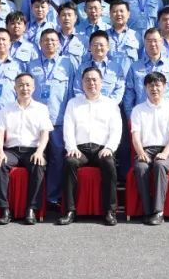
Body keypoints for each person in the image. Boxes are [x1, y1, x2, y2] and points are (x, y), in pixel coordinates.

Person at [57, 66, 123, 226]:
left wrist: (109, 148)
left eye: (94, 80)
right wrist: (71, 147)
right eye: (87, 80)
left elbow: (116, 130)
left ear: (101, 82)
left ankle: (109, 211)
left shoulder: (110, 104)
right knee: (70, 162)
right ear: (82, 83)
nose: (91, 83)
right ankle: (70, 211)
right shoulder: (73, 103)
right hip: (80, 150)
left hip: (102, 149)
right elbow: (68, 128)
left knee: (109, 163)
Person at [0, 72, 52, 225]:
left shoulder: (41, 109)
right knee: (0, 163)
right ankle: (4, 209)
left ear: (34, 88)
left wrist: (40, 152)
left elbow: (45, 134)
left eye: (28, 85)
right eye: (20, 85)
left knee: (38, 164)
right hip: (11, 150)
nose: (24, 88)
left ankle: (31, 209)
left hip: (33, 150)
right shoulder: (6, 109)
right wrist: (0, 152)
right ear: (15, 88)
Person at [30, 29, 77, 208]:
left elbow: (72, 92)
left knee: (57, 159)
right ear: (40, 43)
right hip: (36, 121)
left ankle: (52, 197)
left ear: (59, 43)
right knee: (36, 158)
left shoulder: (68, 64)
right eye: (46, 40)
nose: (49, 43)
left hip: (59, 119)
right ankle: (36, 198)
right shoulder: (31, 65)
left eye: (53, 40)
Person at [130, 71, 169, 225]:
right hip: (145, 149)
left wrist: (165, 153)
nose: (154, 89)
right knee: (140, 167)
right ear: (145, 88)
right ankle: (147, 211)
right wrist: (140, 153)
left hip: (167, 149)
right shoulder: (138, 109)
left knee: (160, 165)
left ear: (164, 87)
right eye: (150, 85)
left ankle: (158, 212)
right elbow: (135, 136)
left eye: (158, 85)